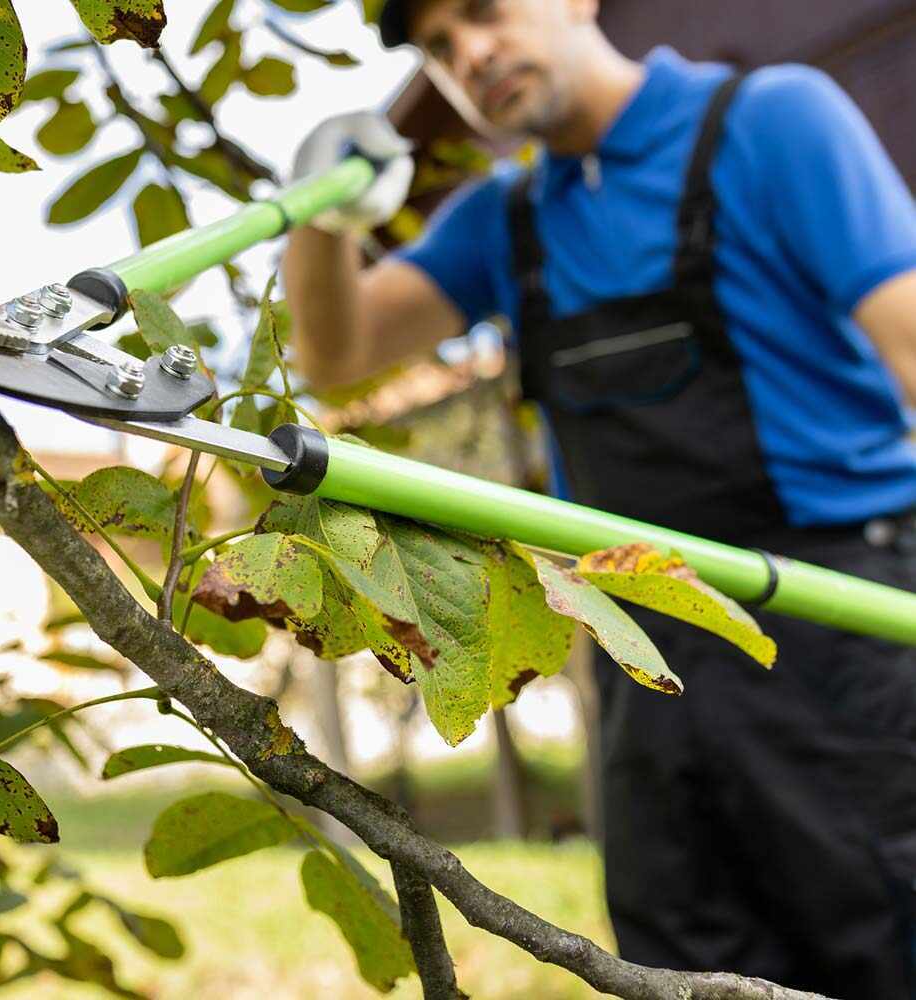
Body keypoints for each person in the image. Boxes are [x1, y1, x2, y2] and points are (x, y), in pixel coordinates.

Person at [280, 0, 916, 995]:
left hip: (834, 627)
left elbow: (911, 341)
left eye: (482, 13)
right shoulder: (507, 219)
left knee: (876, 943)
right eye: (438, 49)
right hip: (643, 653)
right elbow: (337, 357)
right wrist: (319, 208)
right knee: (680, 959)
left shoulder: (773, 122)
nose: (470, 56)